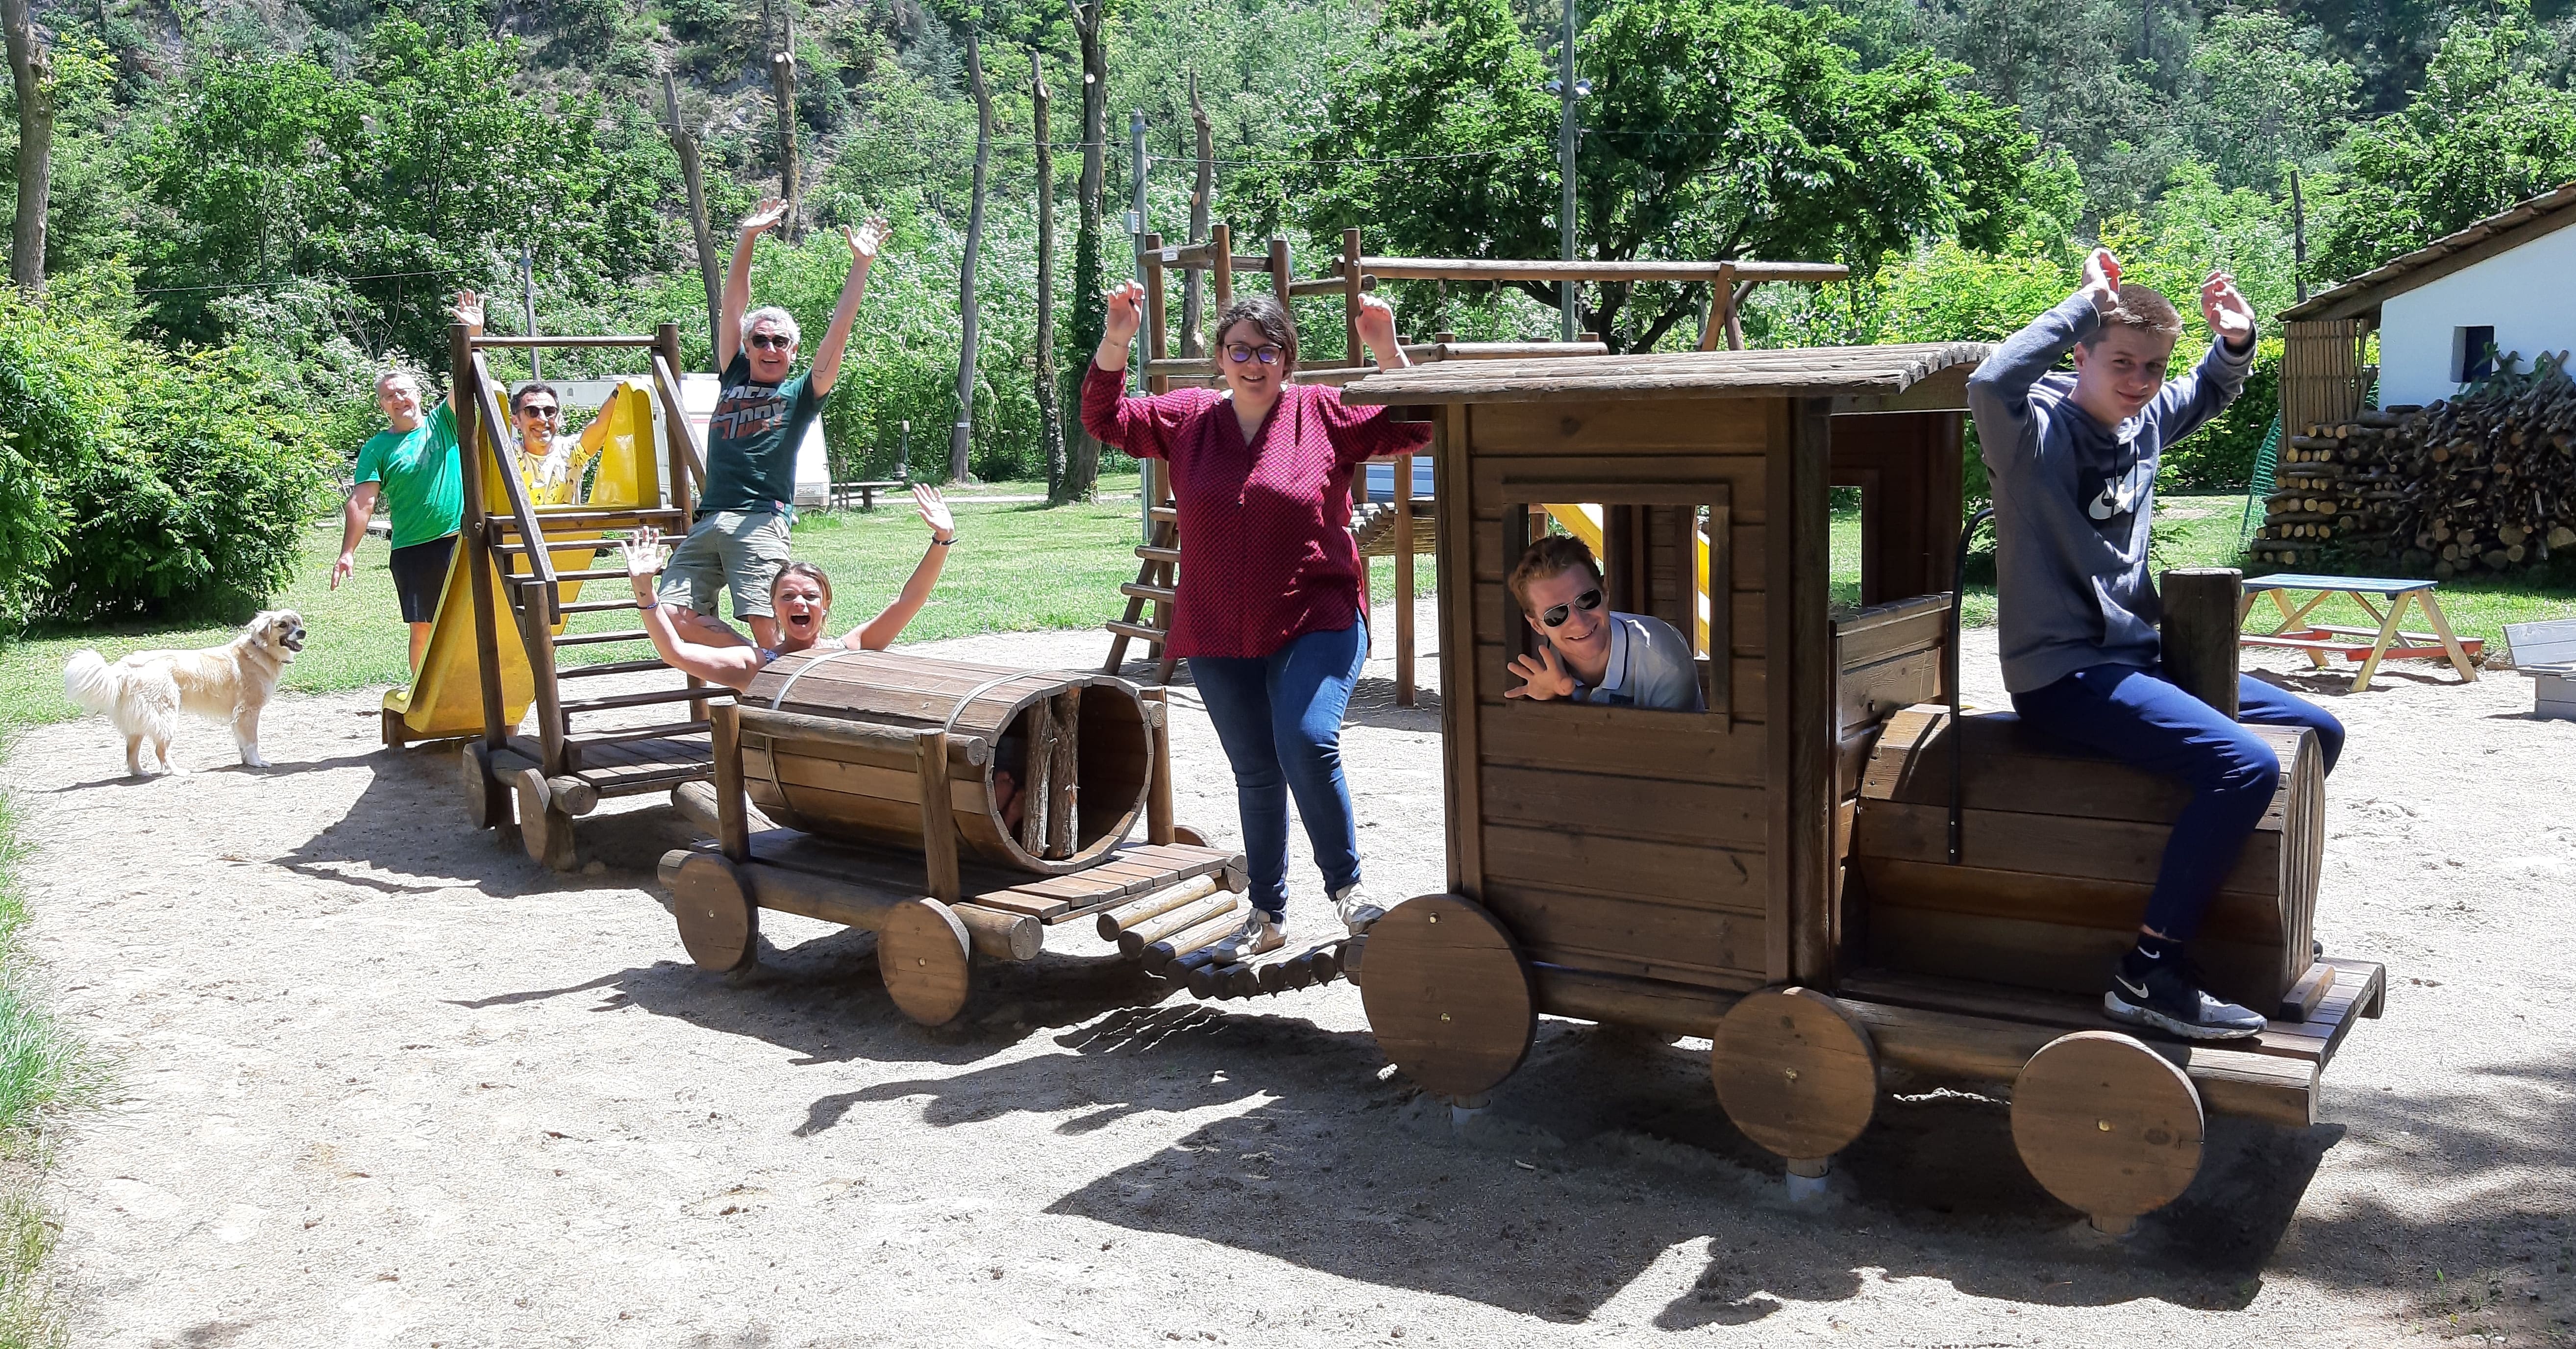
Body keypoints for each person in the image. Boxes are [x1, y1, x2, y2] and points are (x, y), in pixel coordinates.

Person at [1967, 247, 2346, 1042]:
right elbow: (1987, 381)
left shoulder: (2141, 422)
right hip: (2062, 672)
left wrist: (2235, 342)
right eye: (2121, 362)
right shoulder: (2030, 434)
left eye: (2151, 365)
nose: (2139, 381)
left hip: (2135, 659)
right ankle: (2148, 970)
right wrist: (2084, 301)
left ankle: (2248, 913)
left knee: (2321, 731)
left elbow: (2208, 389)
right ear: (2080, 352)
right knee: (2244, 764)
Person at [1082, 284, 1427, 959]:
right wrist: (1118, 335)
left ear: (1288, 361)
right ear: (1219, 358)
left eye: (1268, 351)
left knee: (1306, 739)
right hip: (1217, 629)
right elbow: (1105, 417)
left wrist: (1387, 350)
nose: (1253, 362)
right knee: (1256, 772)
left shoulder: (1322, 412)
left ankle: (1349, 894)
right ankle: (1267, 915)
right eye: (1239, 349)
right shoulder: (1189, 420)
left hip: (1317, 616)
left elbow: (1416, 422)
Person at [655, 198, 893, 651]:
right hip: (710, 519)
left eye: (779, 341)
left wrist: (860, 266)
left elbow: (838, 332)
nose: (769, 347)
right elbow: (732, 305)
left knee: (767, 618)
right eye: (759, 339)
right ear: (746, 345)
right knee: (673, 613)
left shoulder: (803, 392)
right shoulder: (735, 373)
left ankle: (781, 685)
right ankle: (760, 664)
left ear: (793, 349)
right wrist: (747, 238)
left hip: (760, 520)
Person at [616, 483, 956, 694]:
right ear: (774, 608)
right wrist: (644, 589)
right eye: (788, 597)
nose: (800, 604)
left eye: (810, 597)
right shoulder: (758, 664)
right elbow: (675, 653)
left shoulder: (852, 648)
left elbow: (909, 601)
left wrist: (942, 539)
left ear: (825, 605)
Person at [331, 290, 483, 674]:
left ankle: (473, 691)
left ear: (418, 395)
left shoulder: (443, 421)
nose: (399, 398)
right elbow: (362, 502)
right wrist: (348, 551)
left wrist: (474, 333)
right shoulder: (377, 447)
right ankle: (423, 697)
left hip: (460, 541)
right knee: (423, 629)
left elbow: (465, 380)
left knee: (473, 623)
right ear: (382, 406)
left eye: (404, 391)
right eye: (389, 396)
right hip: (413, 549)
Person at [1503, 534, 1705, 711]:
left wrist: (1556, 705)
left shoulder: (1663, 662)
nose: (1578, 621)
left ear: (1605, 593)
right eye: (1556, 615)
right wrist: (1544, 698)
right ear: (1537, 625)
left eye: (1587, 600)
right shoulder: (1526, 658)